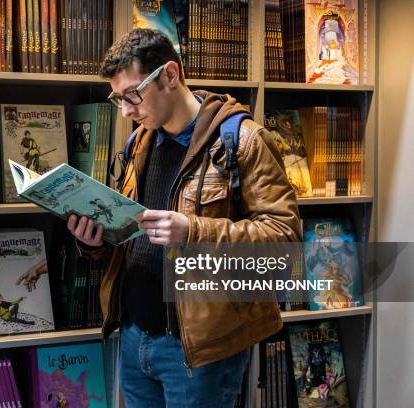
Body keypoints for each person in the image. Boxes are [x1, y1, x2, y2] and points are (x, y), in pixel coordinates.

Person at [67, 29, 302, 407]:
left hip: (200, 352)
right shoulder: (137, 143)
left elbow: (284, 242)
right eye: (118, 99)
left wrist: (193, 230)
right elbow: (132, 235)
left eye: (132, 95)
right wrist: (94, 240)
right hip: (133, 337)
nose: (126, 110)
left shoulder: (243, 140)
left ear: (170, 76)